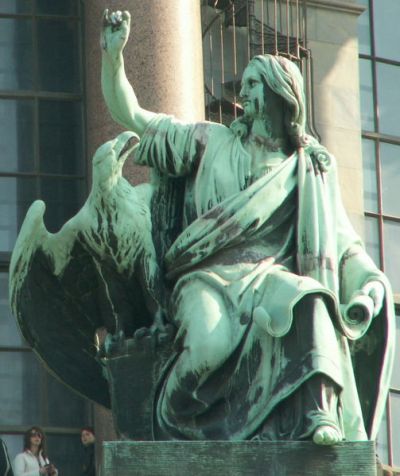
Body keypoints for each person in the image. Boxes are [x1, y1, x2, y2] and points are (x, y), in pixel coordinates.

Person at [99, 10, 395, 445]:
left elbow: (342, 243)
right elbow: (132, 114)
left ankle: (317, 417)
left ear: (281, 96)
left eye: (254, 83)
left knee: (310, 299)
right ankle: (171, 420)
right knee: (207, 347)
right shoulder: (209, 141)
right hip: (206, 276)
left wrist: (369, 283)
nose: (244, 89)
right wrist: (114, 58)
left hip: (269, 276)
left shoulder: (307, 170)